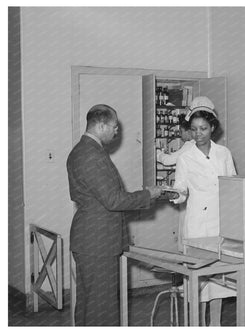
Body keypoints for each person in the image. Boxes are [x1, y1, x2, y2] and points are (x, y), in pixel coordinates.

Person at [66, 104, 162, 326]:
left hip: (93, 239)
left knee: (91, 304)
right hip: (97, 241)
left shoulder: (86, 151)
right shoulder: (90, 154)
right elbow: (114, 200)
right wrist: (149, 193)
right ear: (100, 126)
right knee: (102, 308)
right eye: (114, 126)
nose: (117, 131)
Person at [172, 96, 236, 326]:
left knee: (219, 278)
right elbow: (180, 189)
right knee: (198, 278)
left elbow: (232, 185)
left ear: (213, 128)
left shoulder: (224, 153)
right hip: (198, 222)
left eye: (203, 128)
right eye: (194, 129)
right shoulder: (185, 157)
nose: (198, 134)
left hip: (221, 221)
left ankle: (216, 325)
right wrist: (173, 194)